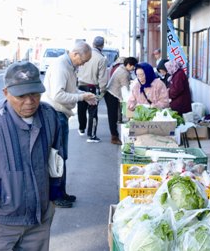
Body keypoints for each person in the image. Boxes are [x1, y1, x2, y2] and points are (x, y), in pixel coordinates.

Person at [0, 61, 63, 250]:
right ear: (6, 93)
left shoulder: (49, 115)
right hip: (1, 222)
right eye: (21, 95)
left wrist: (54, 191)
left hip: (39, 218)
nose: (30, 101)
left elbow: (56, 156)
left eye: (34, 93)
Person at [41, 41, 97, 208]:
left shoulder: (69, 66)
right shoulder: (61, 67)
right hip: (55, 114)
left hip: (60, 114)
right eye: (84, 60)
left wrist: (84, 94)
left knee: (61, 155)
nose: (84, 64)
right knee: (58, 156)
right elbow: (58, 95)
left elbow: (70, 91)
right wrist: (81, 97)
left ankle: (61, 192)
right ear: (75, 54)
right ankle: (56, 195)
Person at [77, 36, 108, 143]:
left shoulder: (85, 54)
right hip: (92, 87)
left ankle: (81, 128)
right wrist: (103, 90)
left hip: (80, 84)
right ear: (102, 45)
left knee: (81, 109)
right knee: (92, 112)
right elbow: (102, 77)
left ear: (93, 44)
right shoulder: (101, 58)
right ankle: (91, 135)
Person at [104, 56, 138, 145]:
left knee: (113, 116)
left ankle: (114, 135)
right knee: (113, 117)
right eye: (133, 67)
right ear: (129, 65)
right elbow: (125, 88)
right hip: (112, 94)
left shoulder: (121, 68)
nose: (133, 69)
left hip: (110, 93)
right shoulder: (124, 73)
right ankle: (114, 137)